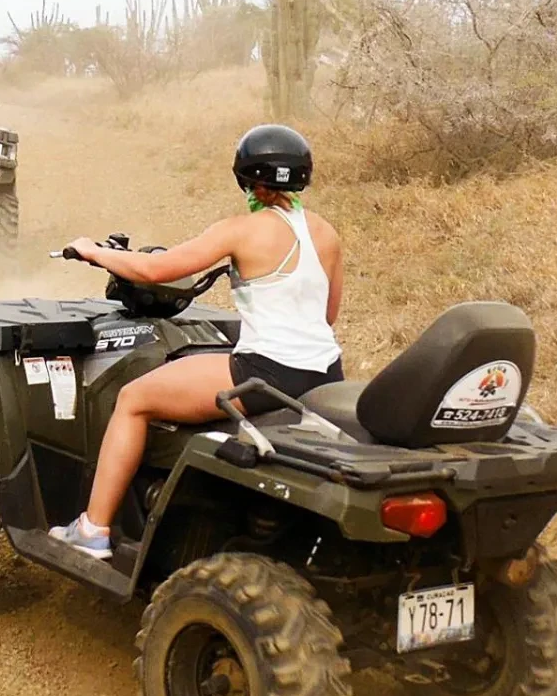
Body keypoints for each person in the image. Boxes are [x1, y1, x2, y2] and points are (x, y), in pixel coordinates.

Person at [50, 125, 343, 559]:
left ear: (248, 178)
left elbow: (155, 271)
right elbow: (327, 316)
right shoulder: (327, 234)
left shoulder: (241, 230)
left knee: (133, 398)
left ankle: (92, 530)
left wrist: (93, 251)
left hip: (265, 372)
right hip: (324, 374)